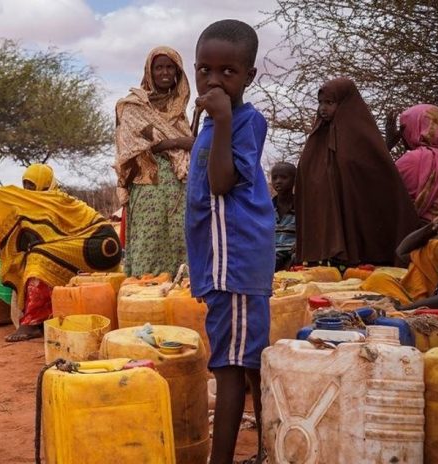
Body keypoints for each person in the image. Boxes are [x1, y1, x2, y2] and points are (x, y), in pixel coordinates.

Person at [186, 19, 272, 464]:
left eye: (227, 71)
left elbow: (221, 183)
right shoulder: (214, 125)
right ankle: (267, 449)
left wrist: (219, 120)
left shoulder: (245, 121)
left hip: (233, 263)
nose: (214, 80)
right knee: (247, 358)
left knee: (230, 365)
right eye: (205, 69)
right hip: (221, 262)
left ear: (249, 76)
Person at [0, 164, 122, 342]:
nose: (27, 190)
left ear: (44, 183)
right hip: (85, 243)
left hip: (101, 244)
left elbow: (49, 238)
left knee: (39, 257)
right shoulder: (32, 203)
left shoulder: (57, 200)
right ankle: (47, 316)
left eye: (31, 185)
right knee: (38, 254)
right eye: (25, 185)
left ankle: (33, 322)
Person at [296, 77, 420, 267]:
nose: (323, 109)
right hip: (326, 242)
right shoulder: (317, 139)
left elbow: (374, 175)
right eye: (320, 103)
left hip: (362, 241)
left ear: (345, 103)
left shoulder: (361, 136)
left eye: (330, 103)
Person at [114, 46, 194, 277]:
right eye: (159, 67)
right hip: (148, 184)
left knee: (180, 238)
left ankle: (179, 294)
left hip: (178, 187)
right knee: (149, 240)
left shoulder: (179, 108)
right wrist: (178, 142)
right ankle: (144, 295)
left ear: (178, 73)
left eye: (170, 67)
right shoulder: (133, 106)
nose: (165, 72)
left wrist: (184, 142)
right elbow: (132, 146)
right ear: (150, 71)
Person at [390, 104, 438, 222]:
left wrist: (386, 145)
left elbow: (379, 185)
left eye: (404, 129)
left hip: (423, 235)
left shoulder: (413, 159)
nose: (402, 135)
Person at [271, 162, 297, 271]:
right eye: (274, 178)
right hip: (271, 256)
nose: (278, 181)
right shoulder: (267, 208)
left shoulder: (302, 207)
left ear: (294, 180)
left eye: (284, 177)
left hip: (292, 257)